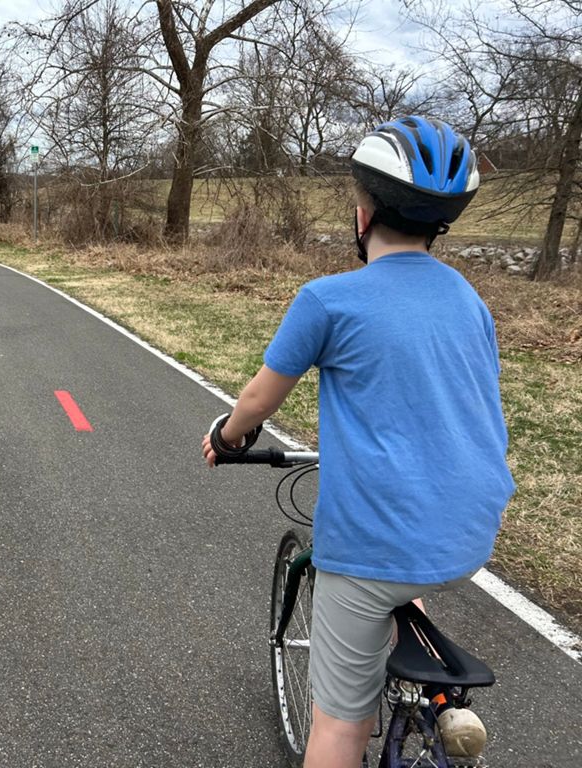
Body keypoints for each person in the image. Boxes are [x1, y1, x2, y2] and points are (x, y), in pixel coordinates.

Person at [201, 117, 515, 768]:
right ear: (440, 224)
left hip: (373, 545)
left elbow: (258, 401)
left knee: (340, 727)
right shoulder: (469, 300)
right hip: (468, 536)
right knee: (402, 575)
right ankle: (427, 690)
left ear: (363, 213)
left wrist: (229, 438)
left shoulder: (328, 300)